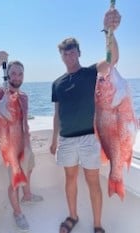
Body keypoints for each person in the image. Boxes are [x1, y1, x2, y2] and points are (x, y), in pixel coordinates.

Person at [50, 8, 121, 233]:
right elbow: (57, 114)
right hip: (66, 140)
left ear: (78, 53)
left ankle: (98, 225)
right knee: (70, 180)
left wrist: (109, 32)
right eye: (65, 53)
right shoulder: (57, 83)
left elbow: (112, 59)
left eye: (72, 52)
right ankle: (73, 216)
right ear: (61, 56)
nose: (69, 56)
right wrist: (54, 140)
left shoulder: (92, 72)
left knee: (93, 181)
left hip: (91, 136)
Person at [0, 51, 43, 232]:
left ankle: (27, 196)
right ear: (8, 75)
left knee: (29, 169)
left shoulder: (23, 96)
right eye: (14, 73)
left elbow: (22, 122)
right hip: (10, 146)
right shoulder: (2, 95)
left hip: (25, 144)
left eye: (20, 73)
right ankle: (17, 213)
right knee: (14, 181)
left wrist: (28, 143)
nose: (17, 77)